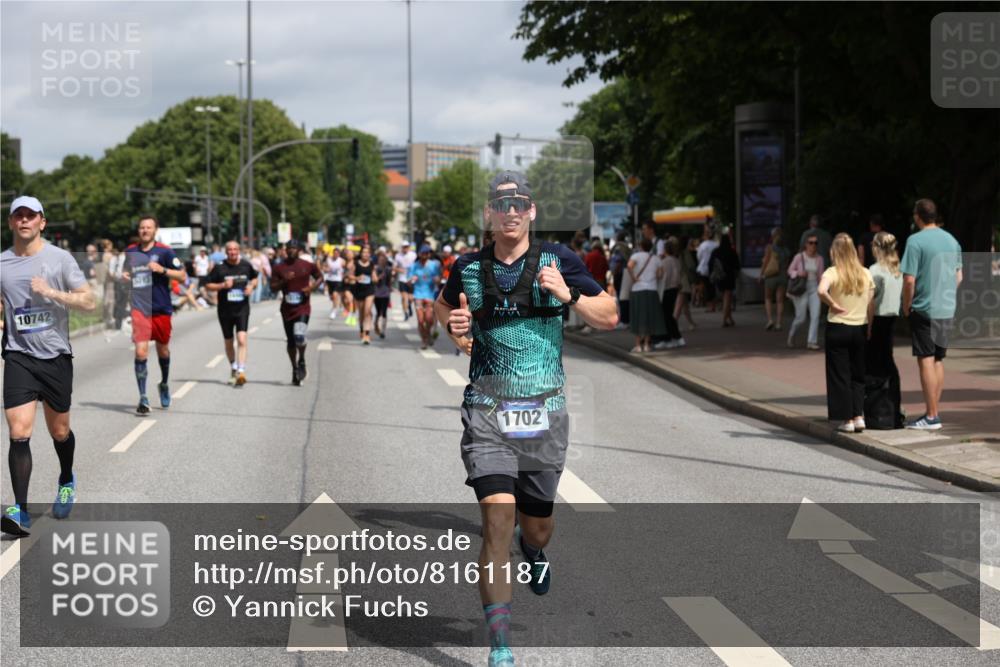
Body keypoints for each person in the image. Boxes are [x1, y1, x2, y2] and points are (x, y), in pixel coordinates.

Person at [434, 171, 617, 667]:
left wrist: (570, 296)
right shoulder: (467, 267)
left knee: (535, 527)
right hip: (487, 409)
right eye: (501, 203)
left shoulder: (562, 261)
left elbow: (610, 314)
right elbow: (443, 309)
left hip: (542, 412)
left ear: (532, 211)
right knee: (496, 515)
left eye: (519, 203)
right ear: (489, 214)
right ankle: (501, 645)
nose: (510, 210)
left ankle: (533, 552)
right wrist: (453, 329)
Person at [1, 196, 97, 536]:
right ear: (12, 223)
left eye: (31, 215)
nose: (24, 220)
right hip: (18, 356)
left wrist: (53, 293)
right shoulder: (2, 264)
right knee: (19, 432)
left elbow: (88, 301)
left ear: (42, 222)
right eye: (18, 216)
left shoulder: (60, 259)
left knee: (59, 432)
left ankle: (67, 478)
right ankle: (20, 511)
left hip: (55, 356)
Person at [901, 198, 963, 430]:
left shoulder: (915, 241)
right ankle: (934, 412)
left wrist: (906, 305)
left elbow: (909, 280)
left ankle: (931, 415)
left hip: (924, 308)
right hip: (946, 309)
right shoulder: (952, 240)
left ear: (918, 216)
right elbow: (959, 277)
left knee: (925, 359)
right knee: (938, 359)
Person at [123, 215, 187, 414]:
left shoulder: (165, 252)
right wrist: (125, 277)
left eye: (148, 228)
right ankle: (143, 397)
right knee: (141, 352)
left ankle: (164, 383)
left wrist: (162, 269)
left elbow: (182, 275)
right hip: (140, 309)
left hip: (161, 308)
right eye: (142, 227)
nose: (144, 231)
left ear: (155, 230)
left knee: (163, 351)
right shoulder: (131, 251)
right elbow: (126, 273)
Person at [818, 233, 874, 433]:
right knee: (858, 374)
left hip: (838, 327)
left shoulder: (832, 272)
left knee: (839, 375)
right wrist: (869, 326)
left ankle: (846, 419)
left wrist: (833, 305)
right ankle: (859, 415)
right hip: (859, 327)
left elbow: (821, 290)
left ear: (835, 251)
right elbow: (870, 303)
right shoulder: (865, 273)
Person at [204, 241, 258, 385]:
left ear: (238, 250)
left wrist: (251, 286)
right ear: (226, 252)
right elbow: (208, 284)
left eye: (235, 249)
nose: (232, 252)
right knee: (229, 341)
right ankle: (233, 367)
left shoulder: (246, 265)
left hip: (242, 309)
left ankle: (241, 371)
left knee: (241, 339)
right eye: (230, 250)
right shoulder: (220, 267)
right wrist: (222, 285)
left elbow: (254, 278)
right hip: (225, 310)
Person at [866, 231, 904, 429]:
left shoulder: (874, 270)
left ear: (877, 247)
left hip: (878, 320)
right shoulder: (897, 270)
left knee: (874, 365)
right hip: (892, 320)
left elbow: (871, 302)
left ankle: (876, 410)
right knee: (889, 364)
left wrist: (868, 326)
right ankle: (893, 409)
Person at [270, 239, 322, 386]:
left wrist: (311, 288)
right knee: (291, 341)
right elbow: (273, 287)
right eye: (289, 248)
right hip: (287, 309)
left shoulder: (307, 266)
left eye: (294, 248)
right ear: (285, 250)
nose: (291, 250)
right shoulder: (279, 267)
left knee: (299, 335)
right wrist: (283, 281)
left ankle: (302, 360)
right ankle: (294, 368)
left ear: (299, 250)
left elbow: (320, 277)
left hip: (303, 307)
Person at [627, 237, 665, 352]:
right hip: (652, 289)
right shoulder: (656, 258)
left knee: (638, 317)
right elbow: (660, 274)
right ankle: (647, 344)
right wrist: (653, 278)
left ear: (640, 246)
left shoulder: (636, 256)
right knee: (650, 317)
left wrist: (634, 278)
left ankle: (638, 345)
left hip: (638, 289)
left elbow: (629, 266)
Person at [787, 233, 824, 350]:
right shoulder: (799, 257)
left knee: (815, 315)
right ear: (806, 244)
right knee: (801, 317)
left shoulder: (819, 259)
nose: (813, 245)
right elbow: (790, 270)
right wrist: (799, 273)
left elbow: (821, 276)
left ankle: (811, 341)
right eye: (811, 242)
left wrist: (823, 288)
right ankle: (792, 334)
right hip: (801, 288)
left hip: (814, 288)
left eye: (815, 243)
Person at [653, 237, 685, 349]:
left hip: (666, 289)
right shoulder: (676, 260)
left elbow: (662, 276)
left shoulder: (665, 262)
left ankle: (668, 338)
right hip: (674, 288)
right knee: (668, 315)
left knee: (665, 315)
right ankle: (676, 337)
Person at [409, 244, 442, 349]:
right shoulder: (414, 266)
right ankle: (424, 340)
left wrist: (437, 280)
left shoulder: (434, 265)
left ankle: (427, 334)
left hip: (430, 294)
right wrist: (412, 279)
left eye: (427, 253)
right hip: (418, 294)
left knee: (429, 319)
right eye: (423, 253)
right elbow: (408, 281)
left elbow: (438, 279)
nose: (425, 255)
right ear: (419, 254)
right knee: (420, 320)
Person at [759, 227, 790, 331]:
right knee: (780, 301)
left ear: (772, 236)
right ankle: (779, 323)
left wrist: (761, 275)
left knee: (768, 298)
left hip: (771, 277)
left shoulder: (770, 248)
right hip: (782, 277)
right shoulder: (786, 250)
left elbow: (766, 262)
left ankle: (770, 320)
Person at [709, 235, 741, 327]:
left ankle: (730, 319)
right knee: (728, 298)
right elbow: (737, 265)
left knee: (725, 297)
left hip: (719, 276)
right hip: (729, 277)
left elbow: (710, 264)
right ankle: (724, 320)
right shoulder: (732, 252)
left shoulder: (716, 251)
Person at [352, 245, 376, 345]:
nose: (366, 254)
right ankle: (362, 329)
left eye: (367, 252)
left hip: (370, 290)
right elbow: (349, 275)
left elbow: (374, 276)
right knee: (362, 313)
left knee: (367, 311)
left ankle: (367, 335)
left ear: (370, 254)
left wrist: (375, 278)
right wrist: (357, 278)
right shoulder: (356, 264)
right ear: (361, 254)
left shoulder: (371, 264)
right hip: (359, 291)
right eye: (364, 252)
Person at [674, 237, 698, 330]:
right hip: (683, 279)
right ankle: (673, 323)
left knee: (684, 304)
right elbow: (691, 265)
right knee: (680, 303)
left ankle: (691, 322)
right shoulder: (685, 252)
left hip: (676, 278)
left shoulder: (676, 252)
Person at [696, 225, 719, 311]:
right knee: (712, 287)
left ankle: (703, 301)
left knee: (704, 286)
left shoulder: (703, 245)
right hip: (713, 269)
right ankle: (713, 305)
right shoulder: (716, 245)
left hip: (703, 268)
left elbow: (699, 256)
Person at [373, 249, 393, 339]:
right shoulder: (375, 269)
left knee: (384, 312)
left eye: (384, 260)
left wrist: (390, 290)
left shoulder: (388, 269)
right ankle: (376, 323)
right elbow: (374, 280)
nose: (382, 261)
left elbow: (389, 281)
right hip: (377, 292)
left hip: (385, 293)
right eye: (380, 260)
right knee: (378, 312)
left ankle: (383, 330)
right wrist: (379, 277)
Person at [394, 241, 417, 320]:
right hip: (402, 279)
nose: (405, 248)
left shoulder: (413, 255)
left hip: (411, 279)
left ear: (409, 247)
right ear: (402, 247)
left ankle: (409, 306)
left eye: (407, 246)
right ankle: (406, 313)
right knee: (404, 297)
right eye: (404, 247)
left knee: (411, 298)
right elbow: (394, 267)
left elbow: (417, 266)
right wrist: (400, 270)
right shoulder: (398, 256)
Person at [323, 247, 345, 319]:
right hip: (330, 280)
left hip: (338, 280)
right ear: (333, 253)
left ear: (339, 254)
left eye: (337, 253)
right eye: (334, 253)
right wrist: (327, 269)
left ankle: (334, 311)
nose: (336, 254)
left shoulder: (341, 261)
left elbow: (346, 269)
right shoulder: (328, 260)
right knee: (332, 297)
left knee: (335, 295)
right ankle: (336, 304)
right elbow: (324, 268)